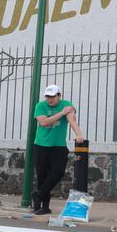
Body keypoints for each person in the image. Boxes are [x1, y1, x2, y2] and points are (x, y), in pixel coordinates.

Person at [30, 84, 85, 216]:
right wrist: (61, 113)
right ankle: (43, 206)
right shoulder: (40, 106)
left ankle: (38, 195)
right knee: (42, 175)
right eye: (48, 97)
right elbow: (43, 122)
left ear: (59, 95)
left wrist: (79, 134)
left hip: (58, 146)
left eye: (53, 97)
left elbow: (72, 120)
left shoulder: (67, 105)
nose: (50, 100)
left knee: (58, 172)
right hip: (41, 145)